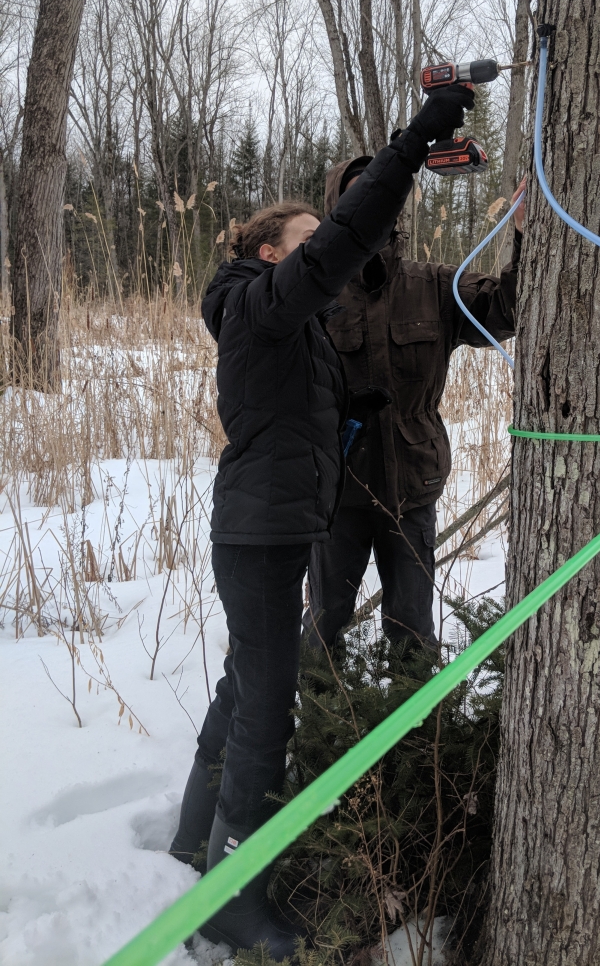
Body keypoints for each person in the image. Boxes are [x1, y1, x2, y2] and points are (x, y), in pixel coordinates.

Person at [167, 82, 475, 958]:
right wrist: (417, 140)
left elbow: (299, 405)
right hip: (260, 536)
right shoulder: (259, 303)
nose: (327, 258)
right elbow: (344, 239)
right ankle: (234, 892)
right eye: (307, 243)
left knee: (245, 681)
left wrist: (358, 405)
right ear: (270, 251)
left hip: (273, 527)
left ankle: (195, 838)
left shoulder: (283, 325)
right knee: (269, 709)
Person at [303, 160, 525, 658]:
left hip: (412, 486)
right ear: (337, 209)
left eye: (382, 195)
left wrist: (523, 235)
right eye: (358, 197)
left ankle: (415, 726)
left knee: (412, 625)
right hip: (337, 489)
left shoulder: (437, 286)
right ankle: (315, 717)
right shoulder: (312, 293)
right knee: (325, 617)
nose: (371, 207)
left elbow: (506, 310)